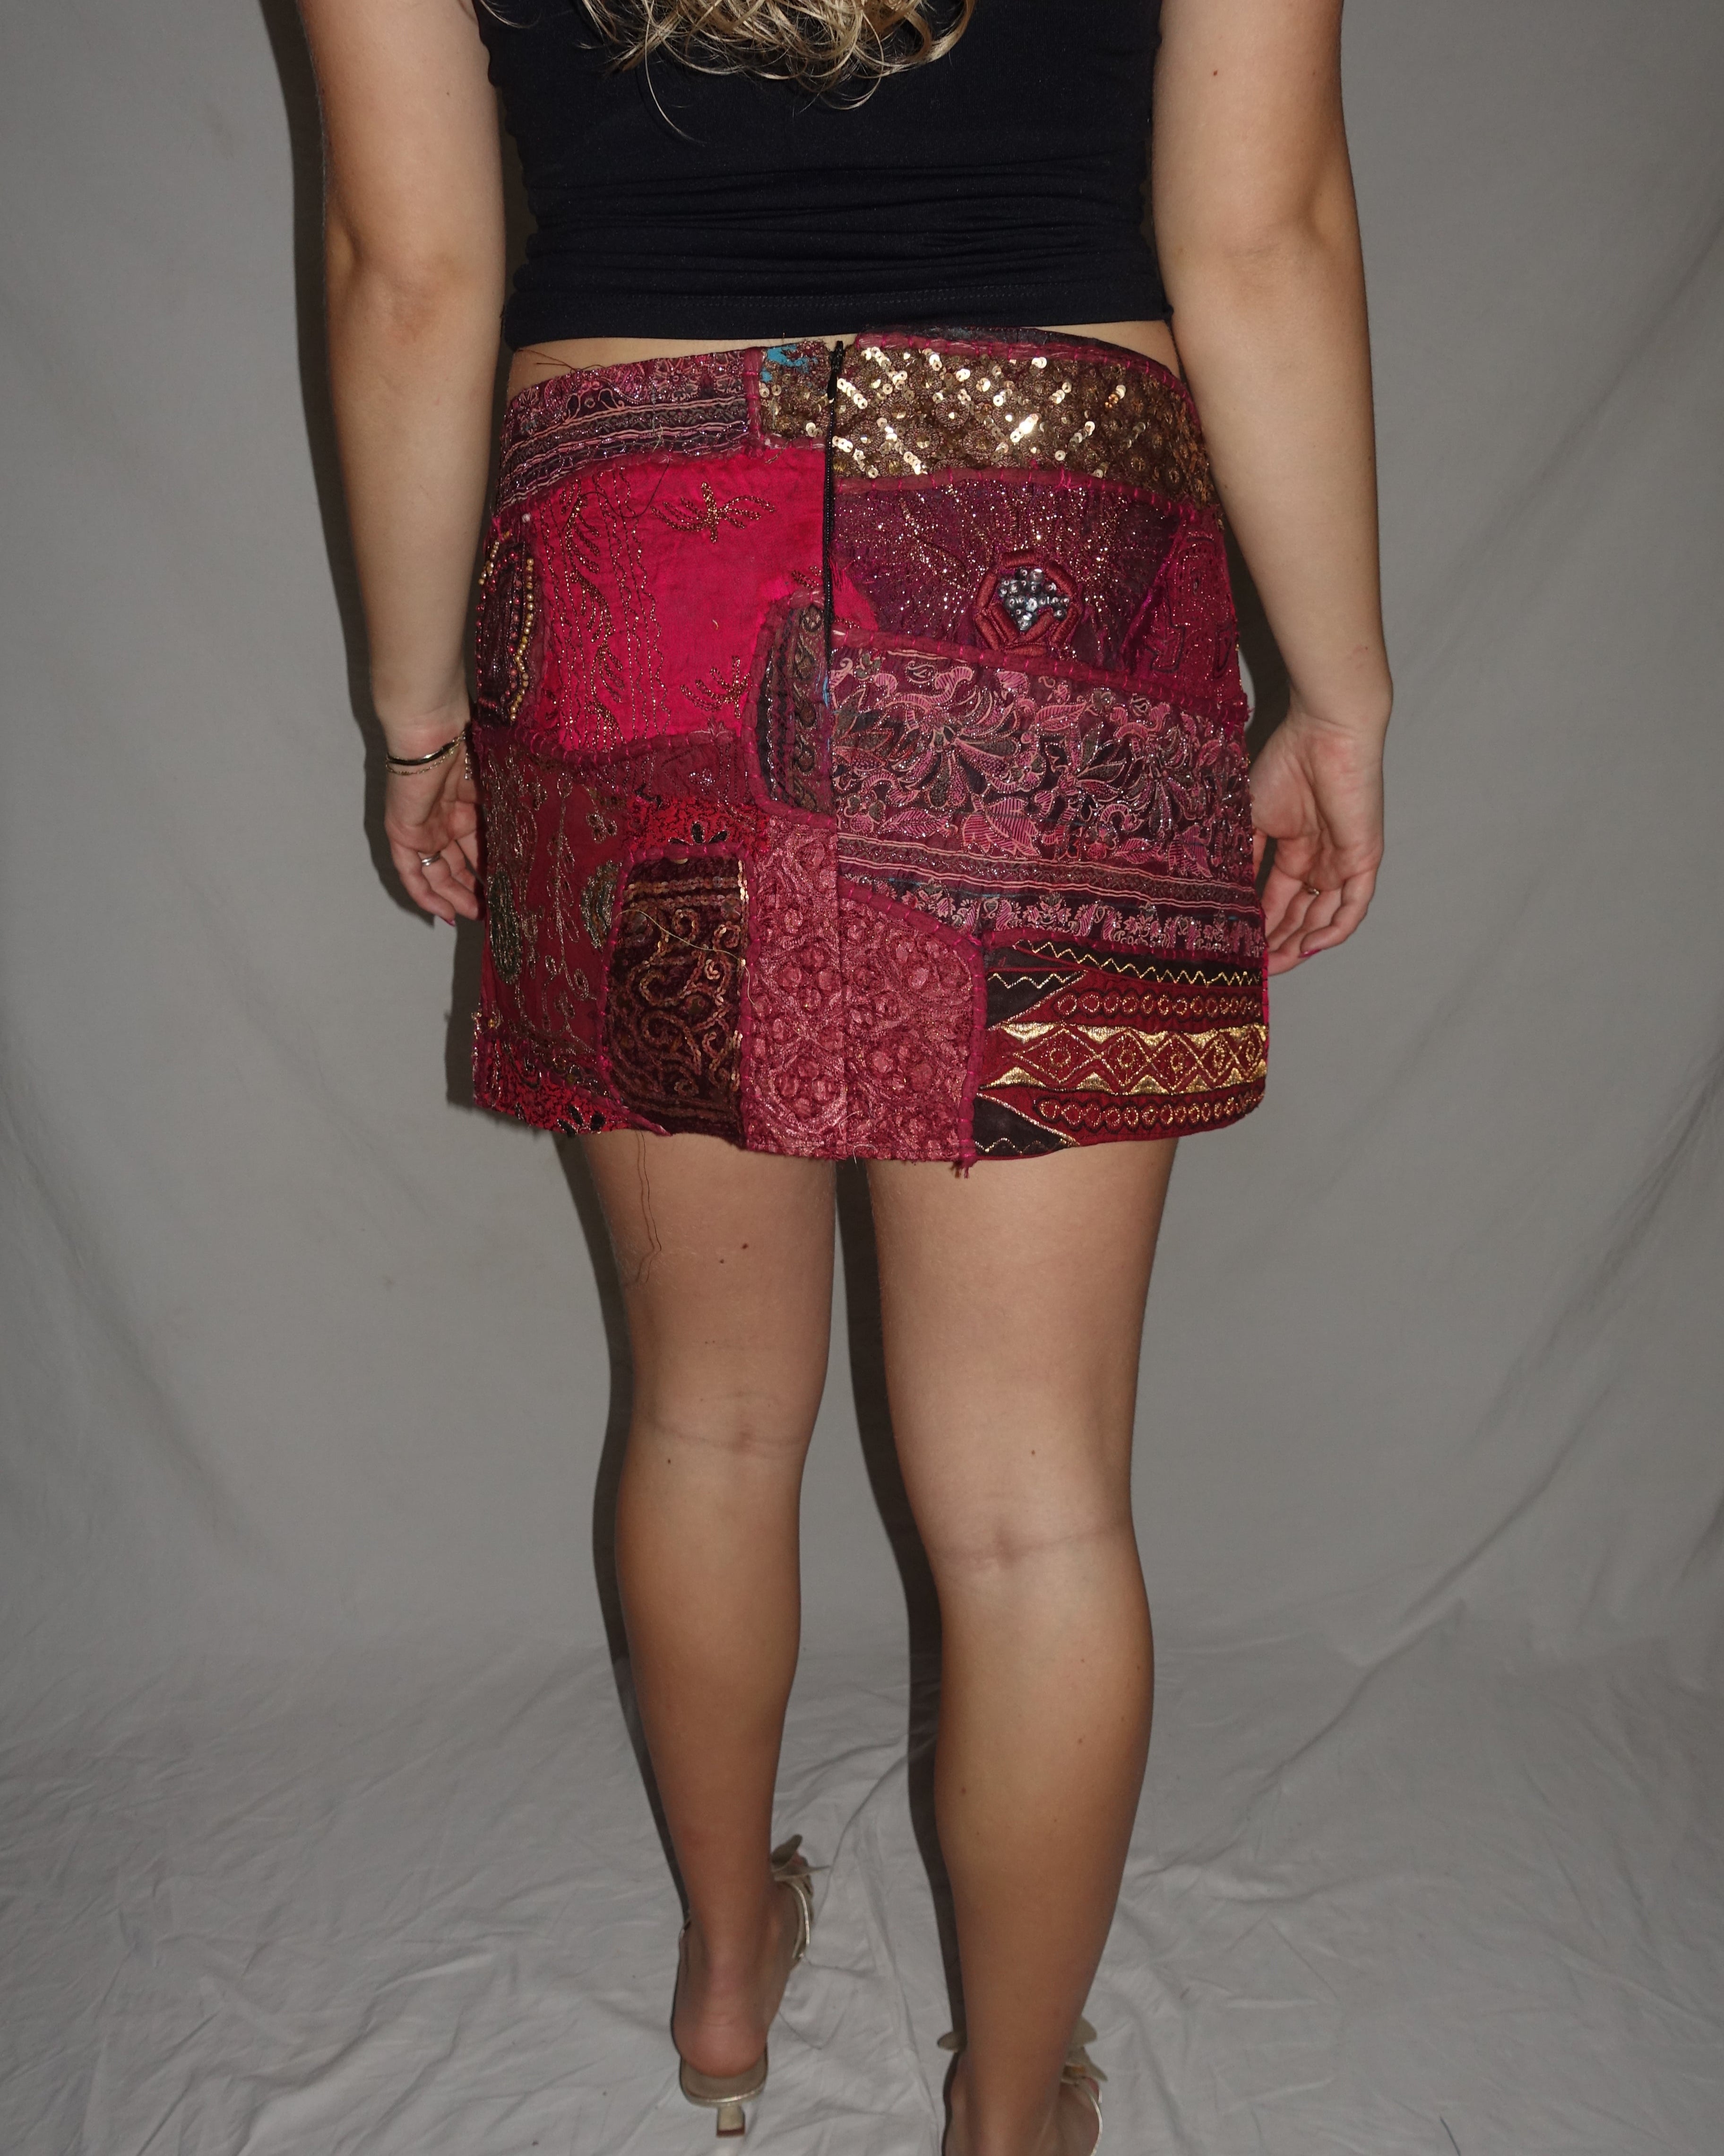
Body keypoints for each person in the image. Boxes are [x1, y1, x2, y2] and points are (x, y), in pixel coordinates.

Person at [296, 0, 1389, 2147]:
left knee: (708, 1415)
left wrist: (420, 716)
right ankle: (1009, 2116)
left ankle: (726, 1980)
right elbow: (1260, 233)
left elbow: (406, 267)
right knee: (1035, 1509)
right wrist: (1336, 688)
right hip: (1049, 545)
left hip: (642, 558)